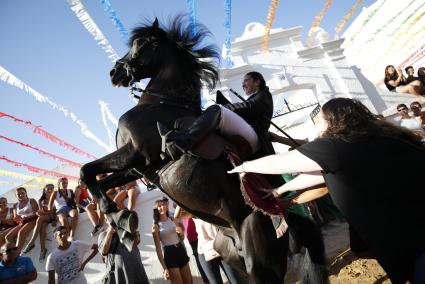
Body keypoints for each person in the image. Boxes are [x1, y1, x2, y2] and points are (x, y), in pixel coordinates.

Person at [229, 98, 425, 284]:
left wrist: (243, 166)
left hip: (410, 243)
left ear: (332, 120)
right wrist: (281, 190)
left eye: (318, 121)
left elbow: (279, 162)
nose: (316, 126)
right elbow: (324, 175)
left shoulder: (335, 146)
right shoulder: (388, 137)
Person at [163, 71, 275, 162]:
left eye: (246, 80)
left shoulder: (264, 95)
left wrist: (220, 107)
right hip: (251, 135)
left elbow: (248, 107)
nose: (243, 84)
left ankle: (184, 142)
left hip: (254, 136)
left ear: (257, 82)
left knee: (217, 109)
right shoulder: (258, 96)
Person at [175, 206, 247, 284]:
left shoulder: (214, 207)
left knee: (236, 281)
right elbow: (177, 215)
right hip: (205, 252)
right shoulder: (195, 212)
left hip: (222, 248)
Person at [151, 197, 192, 284]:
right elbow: (158, 249)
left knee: (189, 282)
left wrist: (181, 233)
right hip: (170, 254)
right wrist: (164, 268)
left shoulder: (173, 219)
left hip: (180, 250)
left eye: (163, 204)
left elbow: (181, 238)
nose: (162, 207)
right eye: (159, 206)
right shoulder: (155, 226)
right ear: (156, 209)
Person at [98, 216, 149, 284]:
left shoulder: (126, 229)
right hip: (120, 274)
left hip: (137, 269)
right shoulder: (103, 235)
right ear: (106, 220)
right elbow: (104, 251)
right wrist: (110, 231)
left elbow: (137, 241)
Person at [21, 184, 57, 262]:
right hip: (47, 217)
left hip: (55, 216)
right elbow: (41, 212)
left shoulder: (55, 197)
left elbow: (56, 210)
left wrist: (46, 212)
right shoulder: (41, 200)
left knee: (40, 219)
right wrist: (45, 212)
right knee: (43, 225)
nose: (50, 190)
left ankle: (31, 242)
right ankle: (43, 250)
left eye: (52, 188)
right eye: (48, 189)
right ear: (44, 190)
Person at [5, 187, 39, 253]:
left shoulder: (31, 200)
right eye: (18, 194)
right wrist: (17, 219)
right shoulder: (15, 205)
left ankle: (17, 253)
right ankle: (11, 253)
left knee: (21, 232)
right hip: (22, 222)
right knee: (8, 237)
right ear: (16, 196)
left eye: (22, 193)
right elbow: (15, 217)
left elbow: (36, 213)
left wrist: (26, 218)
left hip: (32, 220)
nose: (21, 195)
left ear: (26, 193)